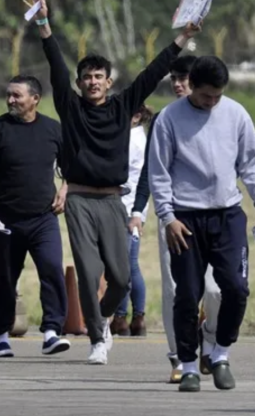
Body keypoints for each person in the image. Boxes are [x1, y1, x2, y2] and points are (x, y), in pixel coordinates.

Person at [25, 0, 197, 365]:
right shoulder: (70, 107)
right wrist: (44, 25)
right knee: (88, 271)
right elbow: (55, 66)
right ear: (80, 81)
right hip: (81, 201)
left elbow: (153, 73)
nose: (92, 82)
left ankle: (102, 317)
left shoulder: (123, 107)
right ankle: (97, 337)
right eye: (86, 77)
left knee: (120, 278)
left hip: (113, 201)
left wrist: (182, 38)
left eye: (98, 77)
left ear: (108, 81)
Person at [148, 56, 255, 393]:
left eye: (217, 96)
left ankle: (219, 354)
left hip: (227, 214)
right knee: (187, 294)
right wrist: (167, 217)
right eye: (206, 96)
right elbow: (158, 172)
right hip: (184, 219)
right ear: (191, 86)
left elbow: (253, 160)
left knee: (235, 287)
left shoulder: (235, 113)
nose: (212, 102)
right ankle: (188, 365)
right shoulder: (169, 119)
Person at [133, 56, 222, 382]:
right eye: (175, 78)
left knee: (216, 290)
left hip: (215, 217)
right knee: (175, 289)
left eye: (184, 78)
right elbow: (150, 171)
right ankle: (178, 356)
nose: (178, 83)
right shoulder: (163, 121)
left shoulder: (222, 115)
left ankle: (209, 343)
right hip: (174, 218)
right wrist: (138, 211)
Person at [0, 74, 70, 358]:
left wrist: (65, 189)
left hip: (43, 218)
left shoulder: (53, 130)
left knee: (51, 268)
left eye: (17, 95)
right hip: (4, 220)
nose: (10, 100)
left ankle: (51, 332)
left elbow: (71, 167)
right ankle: (0, 335)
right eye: (9, 95)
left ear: (35, 99)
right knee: (3, 277)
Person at [112, 107, 150, 337]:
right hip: (133, 208)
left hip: (126, 208)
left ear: (136, 116)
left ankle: (121, 316)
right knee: (131, 264)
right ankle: (137, 318)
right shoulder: (137, 138)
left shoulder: (132, 142)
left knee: (124, 266)